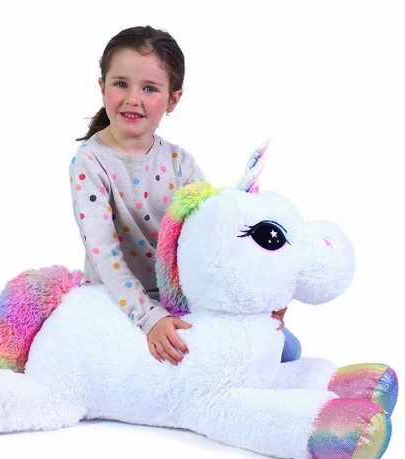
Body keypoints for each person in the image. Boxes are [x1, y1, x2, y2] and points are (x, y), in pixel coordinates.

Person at [69, 26, 301, 366]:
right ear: (102, 87)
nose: (132, 98)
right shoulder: (90, 163)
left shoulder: (180, 162)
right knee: (193, 360)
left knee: (285, 348)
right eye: (121, 84)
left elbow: (214, 231)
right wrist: (150, 318)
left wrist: (257, 298)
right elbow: (104, 254)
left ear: (173, 99)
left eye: (149, 88)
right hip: (121, 301)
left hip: (181, 297)